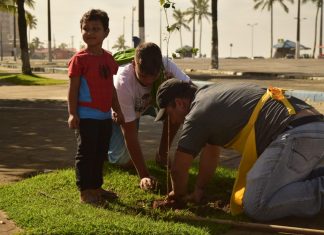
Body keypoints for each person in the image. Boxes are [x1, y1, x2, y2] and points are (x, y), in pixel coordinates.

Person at [154, 78, 324, 221]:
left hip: (296, 134)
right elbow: (211, 152)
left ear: (179, 103)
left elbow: (178, 168)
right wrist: (199, 189)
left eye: (169, 114)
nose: (173, 121)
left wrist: (178, 197)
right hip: (313, 127)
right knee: (272, 189)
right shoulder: (209, 95)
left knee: (256, 204)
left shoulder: (196, 114)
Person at [108, 42, 191, 190]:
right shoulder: (123, 82)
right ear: (134, 64)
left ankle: (162, 156)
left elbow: (192, 95)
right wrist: (144, 175)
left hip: (148, 104)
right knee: (121, 160)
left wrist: (173, 87)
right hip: (121, 112)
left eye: (153, 76)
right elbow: (130, 134)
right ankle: (102, 144)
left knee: (178, 106)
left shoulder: (166, 65)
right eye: (143, 75)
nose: (148, 81)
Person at [67, 9, 124, 205]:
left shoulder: (108, 58)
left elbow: (111, 88)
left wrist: (116, 109)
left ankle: (97, 187)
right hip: (86, 116)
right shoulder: (79, 59)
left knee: (100, 153)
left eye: (96, 29)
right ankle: (85, 191)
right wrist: (72, 113)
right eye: (86, 28)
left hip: (104, 116)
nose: (90, 32)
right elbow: (73, 89)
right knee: (86, 153)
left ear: (106, 32)